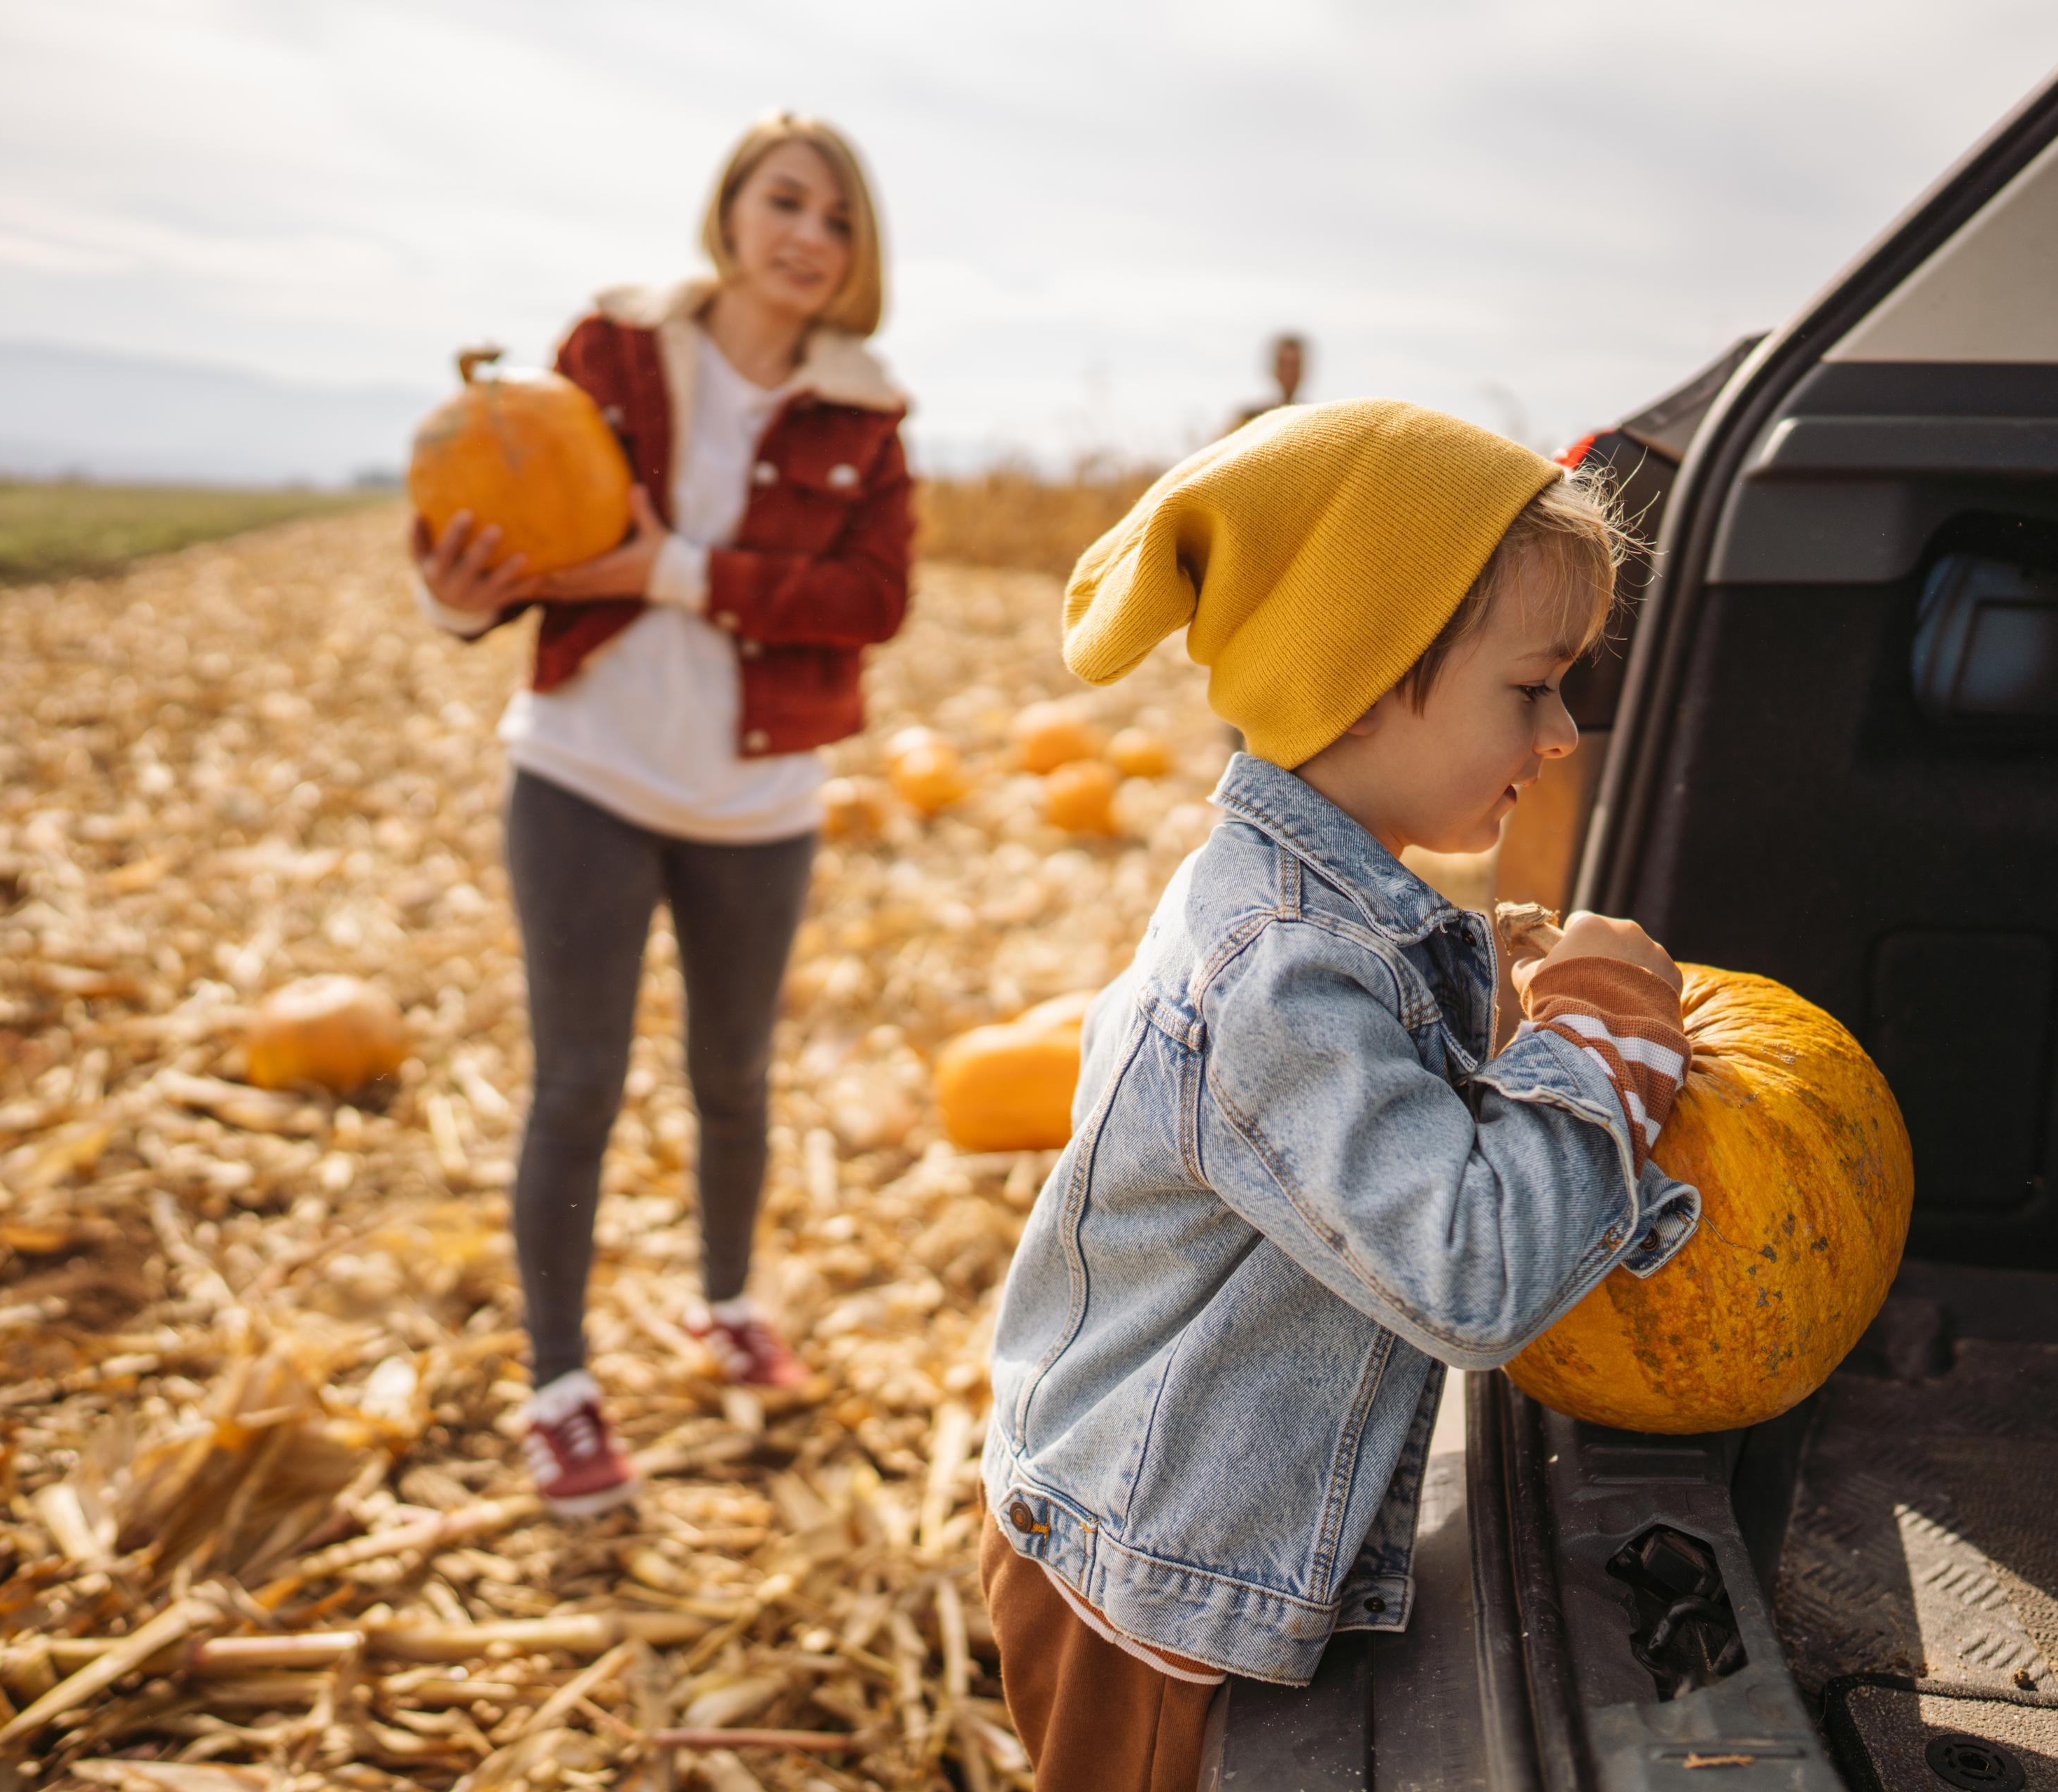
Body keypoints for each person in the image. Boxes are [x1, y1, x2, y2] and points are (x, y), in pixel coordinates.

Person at [979, 400, 1700, 1789]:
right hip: (1146, 1602)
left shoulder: (1332, 918)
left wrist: (1490, 995)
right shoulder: (1277, 974)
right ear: (1366, 676)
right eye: (1533, 685)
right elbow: (1472, 1272)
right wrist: (1604, 1038)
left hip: (1172, 1549)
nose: (1560, 734)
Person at [409, 112, 913, 1516]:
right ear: (732, 212)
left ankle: (725, 1296)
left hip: (759, 797)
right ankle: (559, 1385)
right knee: (578, 1080)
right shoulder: (610, 353)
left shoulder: (868, 420)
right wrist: (457, 598)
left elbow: (875, 602)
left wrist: (674, 567)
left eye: (838, 219)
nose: (809, 237)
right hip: (586, 770)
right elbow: (522, 534)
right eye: (787, 202)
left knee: (736, 1075)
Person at [1229, 330, 1308, 430]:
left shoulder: (1312, 417)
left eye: (1294, 366)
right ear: (1274, 369)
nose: (1289, 373)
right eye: (1284, 365)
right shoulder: (1250, 418)